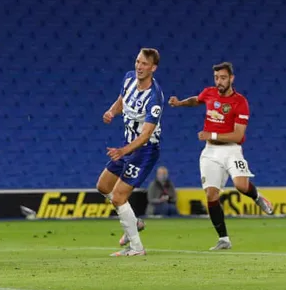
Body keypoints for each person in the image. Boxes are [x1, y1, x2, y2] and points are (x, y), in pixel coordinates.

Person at [168, 62, 273, 251]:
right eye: (216, 78)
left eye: (223, 78)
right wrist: (180, 103)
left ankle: (257, 197)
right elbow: (197, 100)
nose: (219, 81)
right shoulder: (209, 93)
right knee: (211, 194)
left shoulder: (240, 102)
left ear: (231, 78)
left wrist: (212, 135)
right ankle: (224, 239)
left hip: (232, 149)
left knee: (241, 185)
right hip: (210, 152)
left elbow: (239, 135)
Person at [97, 48, 164, 257]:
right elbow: (122, 99)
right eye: (137, 62)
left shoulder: (154, 97)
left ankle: (136, 247)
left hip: (144, 151)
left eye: (144, 64)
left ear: (153, 68)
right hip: (126, 147)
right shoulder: (128, 79)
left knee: (118, 197)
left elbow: (145, 135)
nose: (139, 67)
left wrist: (123, 151)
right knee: (103, 186)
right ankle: (133, 222)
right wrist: (111, 111)